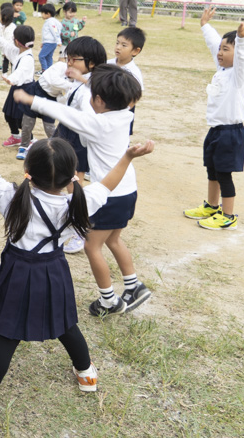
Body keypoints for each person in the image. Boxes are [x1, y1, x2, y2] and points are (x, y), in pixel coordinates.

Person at [0, 139, 155, 419]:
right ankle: (86, 375)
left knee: (7, 335)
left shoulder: (12, 196)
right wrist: (128, 156)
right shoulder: (79, 200)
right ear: (73, 173)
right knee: (66, 324)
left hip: (19, 272)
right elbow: (108, 183)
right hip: (54, 269)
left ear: (27, 170)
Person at [16, 64, 151, 317]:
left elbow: (65, 113)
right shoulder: (125, 113)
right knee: (113, 239)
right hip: (127, 189)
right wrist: (84, 80)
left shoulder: (99, 124)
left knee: (92, 246)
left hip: (109, 194)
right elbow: (109, 95)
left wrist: (31, 99)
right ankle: (133, 286)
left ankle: (109, 300)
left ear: (99, 100)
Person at [183, 9, 244, 231]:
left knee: (224, 174)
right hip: (216, 130)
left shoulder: (240, 74)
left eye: (226, 49)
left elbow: (243, 58)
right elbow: (214, 44)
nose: (219, 53)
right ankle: (211, 206)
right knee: (213, 171)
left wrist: (242, 38)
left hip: (231, 132)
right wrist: (205, 25)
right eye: (221, 49)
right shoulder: (224, 69)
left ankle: (228, 215)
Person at [56, 36, 109, 255]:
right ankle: (68, 217)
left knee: (73, 180)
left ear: (92, 63)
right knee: (62, 175)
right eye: (67, 59)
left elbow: (92, 115)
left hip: (78, 135)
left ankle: (79, 227)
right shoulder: (79, 81)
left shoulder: (92, 86)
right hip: (66, 129)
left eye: (75, 60)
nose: (69, 64)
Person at [14, 60, 68, 160]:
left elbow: (63, 98)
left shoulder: (75, 81)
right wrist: (68, 86)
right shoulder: (60, 66)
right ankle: (24, 146)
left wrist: (67, 87)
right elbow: (53, 81)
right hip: (36, 92)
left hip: (52, 99)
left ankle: (57, 150)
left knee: (50, 127)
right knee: (27, 124)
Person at [0, 24, 36, 149]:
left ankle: (30, 139)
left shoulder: (27, 58)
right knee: (8, 114)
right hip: (16, 87)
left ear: (17, 41)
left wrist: (10, 78)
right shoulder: (19, 51)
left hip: (25, 89)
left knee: (21, 118)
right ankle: (16, 136)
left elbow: (20, 72)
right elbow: (7, 47)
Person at [109, 26, 146, 135]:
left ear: (135, 51)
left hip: (122, 113)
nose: (118, 47)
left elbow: (135, 97)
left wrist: (123, 112)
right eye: (117, 43)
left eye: (124, 45)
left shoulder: (134, 72)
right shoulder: (107, 64)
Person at [38, 3, 63, 71]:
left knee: (41, 56)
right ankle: (50, 70)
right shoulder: (53, 21)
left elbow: (55, 31)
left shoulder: (50, 22)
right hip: (49, 42)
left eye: (42, 13)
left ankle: (44, 70)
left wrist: (58, 41)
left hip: (50, 42)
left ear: (48, 14)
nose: (41, 15)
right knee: (48, 57)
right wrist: (43, 42)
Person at [0, 3, 15, 72]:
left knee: (12, 62)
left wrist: (6, 50)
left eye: (0, 16)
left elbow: (9, 40)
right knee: (5, 60)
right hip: (4, 47)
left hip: (11, 49)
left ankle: (13, 74)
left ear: (5, 17)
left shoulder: (11, 27)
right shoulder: (3, 26)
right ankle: (4, 73)